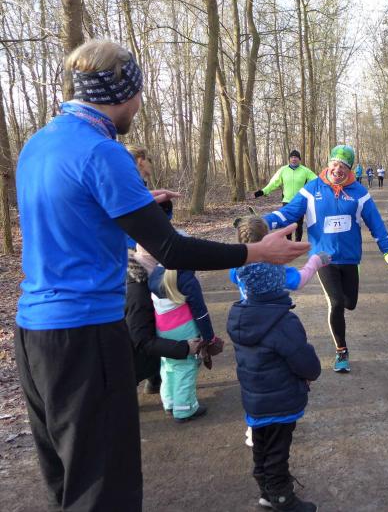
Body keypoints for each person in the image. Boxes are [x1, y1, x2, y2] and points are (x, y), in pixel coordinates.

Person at [14, 39, 308, 511]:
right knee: (104, 489)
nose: (139, 104)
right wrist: (256, 251)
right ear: (121, 93)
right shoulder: (103, 152)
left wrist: (135, 204)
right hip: (86, 334)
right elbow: (170, 249)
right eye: (138, 93)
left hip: (34, 336)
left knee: (67, 481)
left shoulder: (39, 144)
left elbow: (70, 217)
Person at [263, 145, 388, 373]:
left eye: (344, 166)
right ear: (328, 164)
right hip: (323, 256)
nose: (338, 169)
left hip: (350, 258)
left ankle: (346, 292)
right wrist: (263, 222)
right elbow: (288, 213)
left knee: (349, 303)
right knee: (336, 303)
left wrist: (387, 250)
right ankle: (341, 351)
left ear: (350, 169)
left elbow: (375, 222)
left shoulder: (359, 193)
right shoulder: (312, 189)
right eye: (335, 164)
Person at [227, 235, 323, 511]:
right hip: (281, 402)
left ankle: (266, 492)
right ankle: (282, 498)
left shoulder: (239, 317)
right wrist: (312, 372)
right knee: (278, 452)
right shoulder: (283, 321)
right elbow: (304, 361)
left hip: (255, 401)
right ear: (276, 285)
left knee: (262, 447)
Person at [126, 200, 201, 392]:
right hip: (126, 362)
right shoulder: (138, 289)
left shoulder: (153, 272)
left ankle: (155, 378)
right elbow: (141, 340)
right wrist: (185, 348)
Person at [148, 252, 223, 422]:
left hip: (162, 328)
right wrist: (209, 336)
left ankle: (169, 402)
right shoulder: (186, 278)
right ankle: (185, 409)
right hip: (184, 329)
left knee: (168, 364)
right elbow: (200, 312)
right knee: (186, 367)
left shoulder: (155, 273)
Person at [254, 149, 317, 241]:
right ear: (289, 159)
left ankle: (297, 243)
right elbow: (274, 183)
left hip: (300, 202)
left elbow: (316, 181)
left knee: (298, 224)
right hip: (287, 201)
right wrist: (263, 191)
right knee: (287, 223)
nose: (294, 159)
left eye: (296, 157)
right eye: (292, 157)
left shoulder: (305, 170)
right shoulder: (283, 170)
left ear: (299, 159)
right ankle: (288, 242)